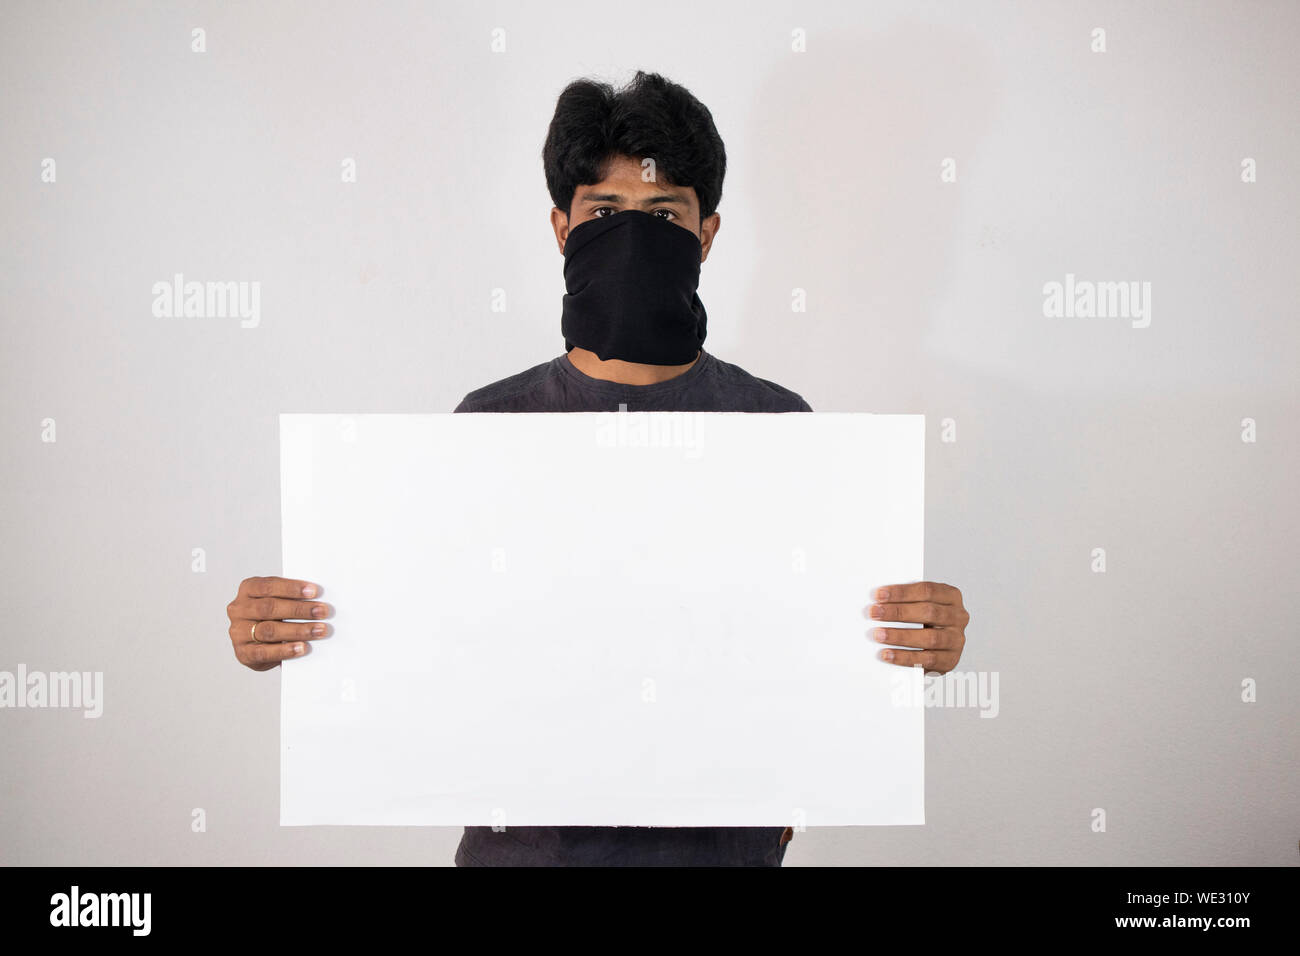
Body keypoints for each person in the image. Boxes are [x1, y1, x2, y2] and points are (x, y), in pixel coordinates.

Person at [225, 70, 970, 866]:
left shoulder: (780, 429)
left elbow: (823, 654)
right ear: (562, 227)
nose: (633, 234)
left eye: (663, 213)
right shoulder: (486, 427)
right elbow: (423, 641)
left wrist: (922, 641)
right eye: (605, 212)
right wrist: (284, 632)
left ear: (707, 233)